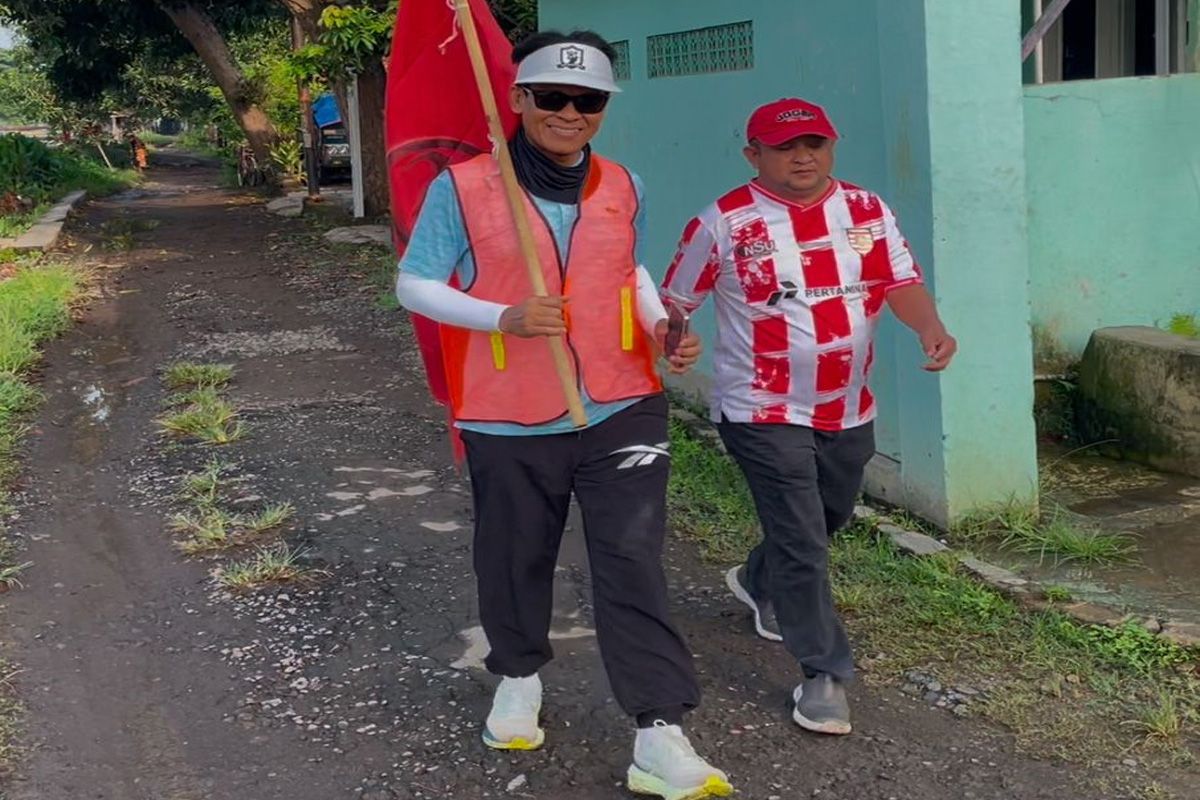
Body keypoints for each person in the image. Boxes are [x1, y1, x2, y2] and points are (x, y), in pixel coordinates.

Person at [395, 30, 732, 800]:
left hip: (622, 403)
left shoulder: (624, 184)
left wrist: (657, 326)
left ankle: (659, 731)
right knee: (515, 553)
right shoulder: (469, 187)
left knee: (633, 559)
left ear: (603, 109)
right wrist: (501, 316)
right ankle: (517, 675)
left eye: (588, 101)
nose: (569, 112)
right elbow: (415, 283)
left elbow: (628, 268)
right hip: (509, 409)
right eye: (552, 96)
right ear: (519, 100)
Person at [660, 98, 957, 737]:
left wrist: (930, 328)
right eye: (785, 147)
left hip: (847, 406)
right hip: (760, 407)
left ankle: (756, 579)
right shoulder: (723, 222)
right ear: (754, 156)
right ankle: (823, 673)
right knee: (802, 538)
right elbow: (675, 299)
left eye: (815, 144)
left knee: (829, 516)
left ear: (831, 147)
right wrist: (674, 339)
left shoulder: (867, 211)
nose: (803, 157)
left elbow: (898, 281)